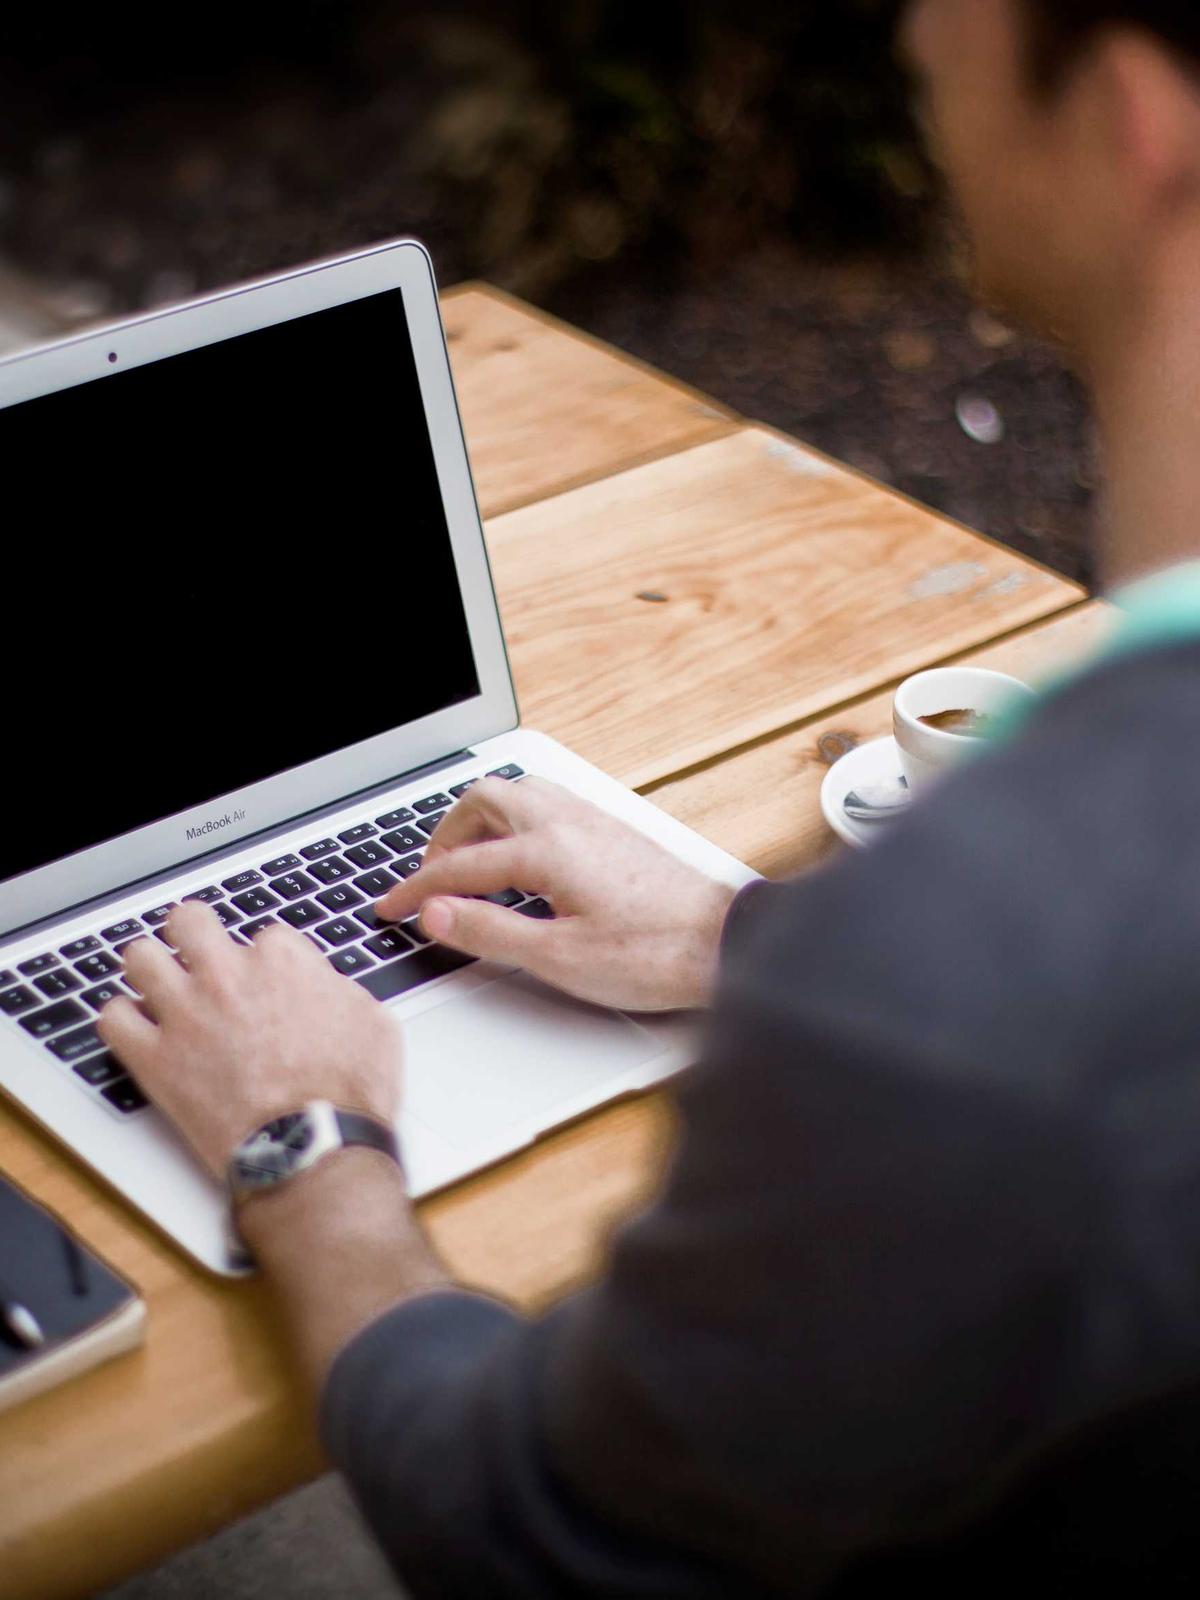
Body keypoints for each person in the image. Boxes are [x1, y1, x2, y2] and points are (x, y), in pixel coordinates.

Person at [98, 1, 1200, 1592]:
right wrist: (743, 936)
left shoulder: (989, 958)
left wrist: (303, 1142)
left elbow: (526, 1532)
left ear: (1132, 112)